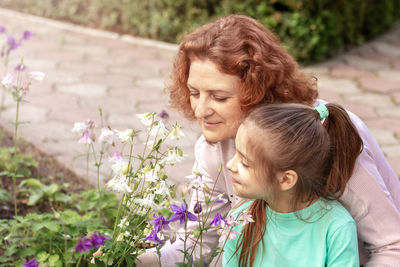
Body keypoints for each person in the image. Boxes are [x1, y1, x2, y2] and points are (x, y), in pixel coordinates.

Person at [136, 14, 400, 266]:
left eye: (219, 97)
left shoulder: (322, 136)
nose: (200, 110)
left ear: (257, 90)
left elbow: (393, 248)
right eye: (194, 93)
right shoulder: (214, 148)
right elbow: (198, 243)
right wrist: (123, 258)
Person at [223, 103, 361, 267]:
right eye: (235, 153)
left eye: (245, 163)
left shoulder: (337, 228)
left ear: (286, 180)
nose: (230, 165)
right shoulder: (239, 220)